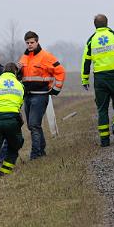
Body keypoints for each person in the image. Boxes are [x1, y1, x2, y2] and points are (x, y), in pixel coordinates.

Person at [80, 14, 114, 146]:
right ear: (107, 23)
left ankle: (104, 140)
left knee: (102, 109)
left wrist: (85, 79)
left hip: (100, 78)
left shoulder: (91, 40)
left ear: (95, 25)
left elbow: (86, 61)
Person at [19, 31, 66, 159]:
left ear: (37, 42)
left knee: (34, 124)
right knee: (31, 125)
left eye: (32, 42)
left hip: (40, 95)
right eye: (27, 43)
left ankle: (35, 154)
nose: (29, 45)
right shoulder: (24, 57)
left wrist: (56, 89)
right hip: (27, 95)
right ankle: (42, 149)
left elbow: (60, 71)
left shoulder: (46, 56)